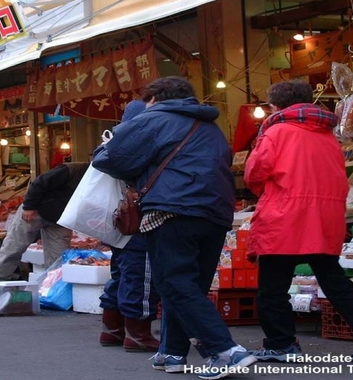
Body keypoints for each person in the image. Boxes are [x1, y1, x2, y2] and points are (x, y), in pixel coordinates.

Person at [92, 76, 255, 380]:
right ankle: (173, 351)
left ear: (153, 98)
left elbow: (110, 158)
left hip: (172, 210)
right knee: (188, 286)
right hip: (217, 213)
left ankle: (225, 350)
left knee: (175, 284)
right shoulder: (210, 127)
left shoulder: (153, 119)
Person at [243, 81, 353, 364]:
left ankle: (281, 343)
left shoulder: (276, 132)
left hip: (284, 217)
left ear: (275, 106)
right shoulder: (327, 134)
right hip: (324, 216)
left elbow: (254, 174)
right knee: (333, 280)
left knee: (272, 287)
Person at [97, 100, 161, 353]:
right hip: (138, 222)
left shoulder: (109, 143)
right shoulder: (138, 146)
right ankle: (138, 333)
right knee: (141, 277)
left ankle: (111, 330)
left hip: (117, 222)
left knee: (121, 275)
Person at [0, 162, 88, 284]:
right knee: (14, 246)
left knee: (59, 257)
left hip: (60, 220)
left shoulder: (102, 180)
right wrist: (29, 207)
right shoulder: (73, 170)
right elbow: (39, 182)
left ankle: (52, 288)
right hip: (36, 210)